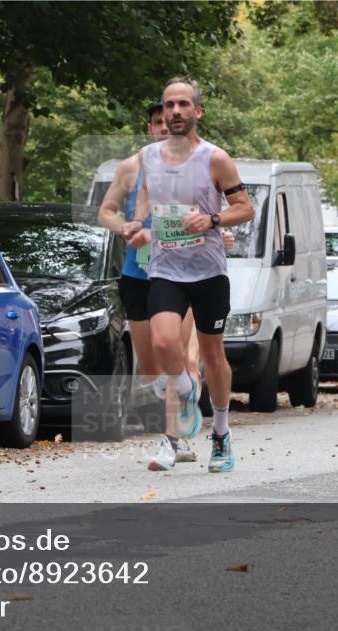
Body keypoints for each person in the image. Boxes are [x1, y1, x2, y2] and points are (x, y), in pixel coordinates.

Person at [125, 76, 254, 473]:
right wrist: (140, 223)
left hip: (208, 270)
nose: (175, 111)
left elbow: (245, 208)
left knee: (214, 355)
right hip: (165, 268)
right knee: (164, 342)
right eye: (169, 105)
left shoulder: (217, 158)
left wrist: (213, 219)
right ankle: (184, 387)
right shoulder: (149, 156)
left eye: (183, 104)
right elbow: (145, 196)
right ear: (162, 113)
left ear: (197, 111)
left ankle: (221, 433)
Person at [98, 103, 233, 463]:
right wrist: (126, 228)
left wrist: (221, 231)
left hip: (183, 274)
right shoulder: (133, 166)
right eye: (158, 123)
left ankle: (172, 441)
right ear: (150, 128)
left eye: (168, 122)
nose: (163, 128)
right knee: (152, 366)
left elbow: (209, 212)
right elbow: (106, 212)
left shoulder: (197, 165)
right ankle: (181, 423)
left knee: (184, 354)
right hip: (138, 273)